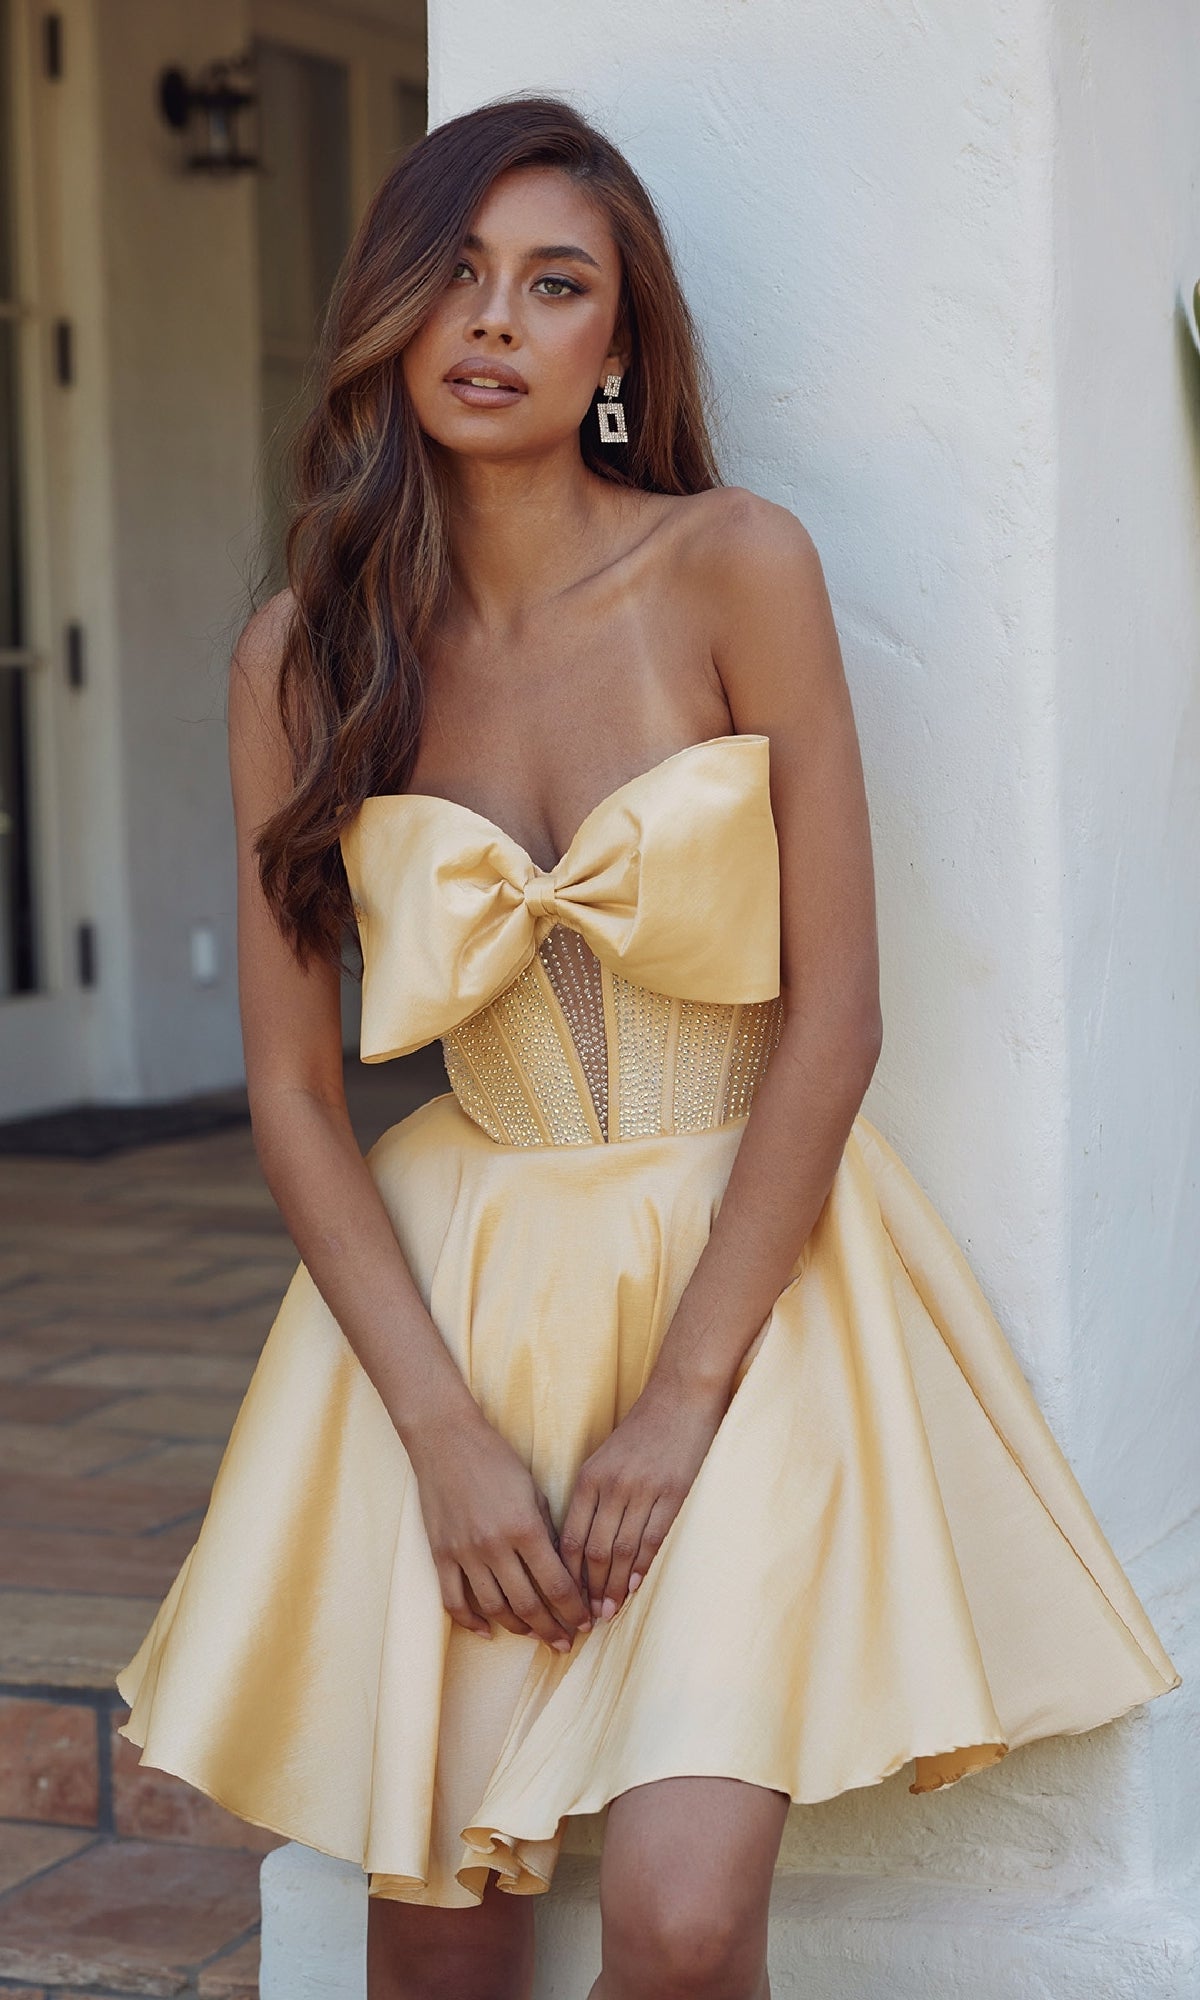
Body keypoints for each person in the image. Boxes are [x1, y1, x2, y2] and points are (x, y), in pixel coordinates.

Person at [115, 93, 1181, 2000]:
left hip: (747, 1293)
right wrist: (439, 1437)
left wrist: (685, 1397)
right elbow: (294, 1091)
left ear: (622, 342)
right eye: (455, 276)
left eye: (555, 283)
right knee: (439, 1944)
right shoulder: (306, 649)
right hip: (454, 1297)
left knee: (687, 1925)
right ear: (388, 314)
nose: (496, 322)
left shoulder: (732, 566)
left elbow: (833, 1016)